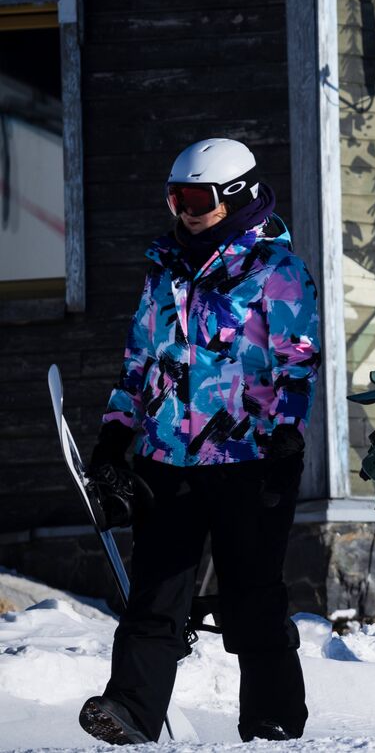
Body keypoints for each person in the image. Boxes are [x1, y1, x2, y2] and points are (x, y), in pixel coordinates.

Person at [80, 138, 320, 744]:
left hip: (251, 462)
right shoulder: (163, 268)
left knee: (251, 597)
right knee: (156, 593)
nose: (184, 210)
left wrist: (287, 439)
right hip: (169, 459)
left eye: (197, 198)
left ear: (234, 195)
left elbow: (297, 362)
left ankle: (272, 719)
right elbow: (140, 359)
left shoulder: (276, 270)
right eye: (175, 197)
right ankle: (131, 711)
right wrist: (115, 437)